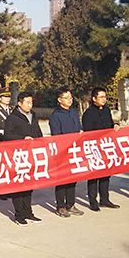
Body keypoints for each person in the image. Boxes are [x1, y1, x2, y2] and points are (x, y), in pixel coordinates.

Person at [4, 92, 43, 226]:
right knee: (18, 186)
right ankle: (19, 215)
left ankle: (28, 213)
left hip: (31, 155)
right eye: (27, 102)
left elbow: (38, 131)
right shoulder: (12, 118)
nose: (30, 105)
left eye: (31, 102)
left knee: (29, 185)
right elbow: (7, 135)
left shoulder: (33, 116)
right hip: (18, 155)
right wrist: (22, 139)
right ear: (19, 103)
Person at [82, 87, 121, 211]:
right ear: (94, 98)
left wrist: (115, 125)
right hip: (94, 147)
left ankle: (104, 199)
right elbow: (88, 132)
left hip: (106, 146)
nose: (104, 99)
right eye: (101, 97)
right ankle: (93, 201)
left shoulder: (106, 110)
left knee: (106, 174)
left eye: (105, 97)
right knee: (94, 175)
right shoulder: (89, 113)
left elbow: (109, 124)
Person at [49, 87, 85, 218]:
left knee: (72, 179)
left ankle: (71, 204)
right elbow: (56, 135)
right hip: (62, 152)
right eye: (66, 98)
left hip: (74, 150)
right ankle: (61, 206)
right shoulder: (55, 116)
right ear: (59, 100)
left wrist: (80, 132)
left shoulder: (74, 113)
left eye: (71, 97)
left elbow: (79, 128)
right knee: (62, 179)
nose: (70, 100)